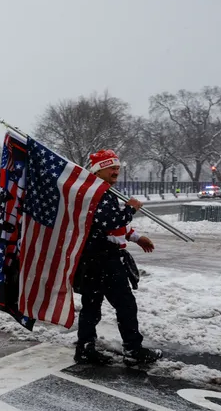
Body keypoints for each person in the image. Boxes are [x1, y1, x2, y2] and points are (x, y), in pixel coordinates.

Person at [73, 149, 163, 366]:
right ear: (98, 170)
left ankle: (86, 348)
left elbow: (112, 227)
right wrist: (130, 209)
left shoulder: (101, 191)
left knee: (93, 306)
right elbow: (109, 223)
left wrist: (135, 237)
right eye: (111, 167)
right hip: (102, 261)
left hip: (97, 260)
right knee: (124, 305)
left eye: (117, 167)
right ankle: (132, 348)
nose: (116, 170)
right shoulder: (98, 193)